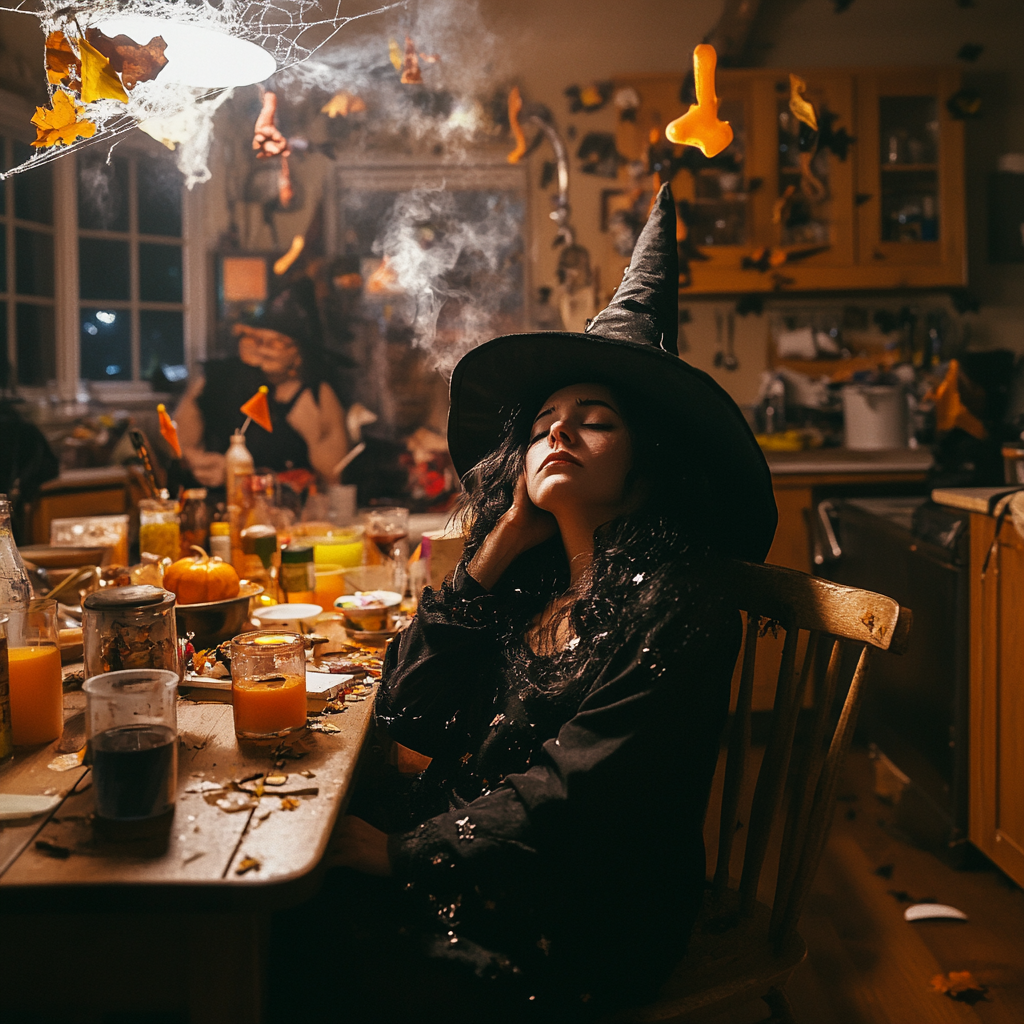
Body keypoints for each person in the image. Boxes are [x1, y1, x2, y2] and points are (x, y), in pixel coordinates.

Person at [280, 187, 777, 1023]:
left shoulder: (677, 604)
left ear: (648, 466)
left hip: (578, 909)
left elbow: (582, 798)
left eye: (595, 422)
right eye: (545, 423)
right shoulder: (534, 578)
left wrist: (403, 852)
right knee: (285, 910)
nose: (559, 435)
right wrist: (501, 541)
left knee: (309, 943)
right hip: (484, 858)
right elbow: (405, 707)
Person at [174, 282, 348, 490]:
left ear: (299, 355)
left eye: (277, 343)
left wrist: (240, 478)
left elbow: (333, 483)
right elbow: (176, 443)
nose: (263, 350)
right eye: (256, 339)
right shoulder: (214, 380)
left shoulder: (315, 396)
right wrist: (196, 461)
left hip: (286, 515)